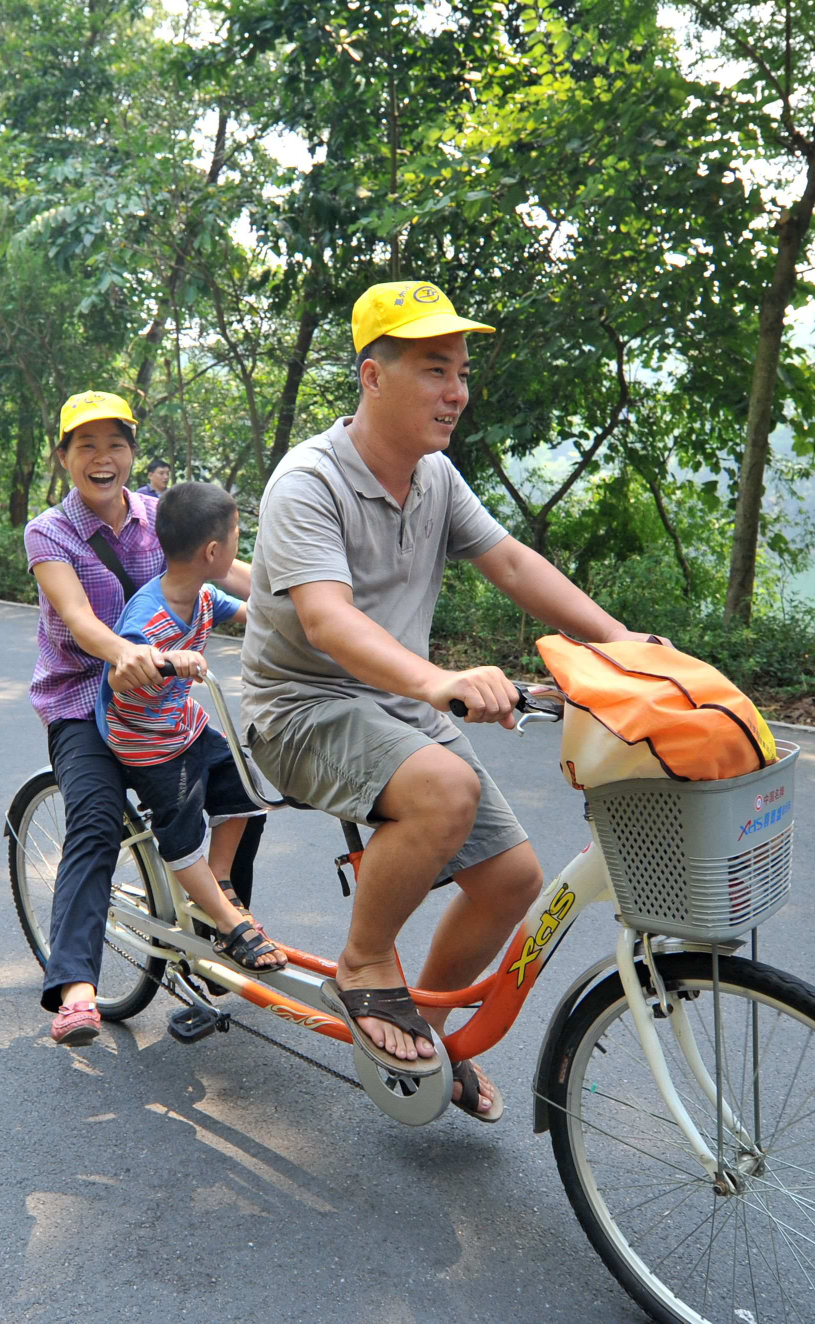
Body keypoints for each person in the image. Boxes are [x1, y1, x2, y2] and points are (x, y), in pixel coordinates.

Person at [241, 279, 654, 1122]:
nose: (457, 392)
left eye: (461, 372)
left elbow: (511, 563)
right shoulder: (307, 481)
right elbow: (326, 620)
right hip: (301, 708)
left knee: (511, 881)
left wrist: (624, 646)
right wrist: (438, 682)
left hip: (395, 709)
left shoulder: (433, 476)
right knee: (445, 789)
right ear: (372, 376)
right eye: (435, 370)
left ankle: (422, 1035)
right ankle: (364, 963)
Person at [24, 391, 252, 1046]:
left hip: (158, 703)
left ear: (131, 452)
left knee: (239, 784)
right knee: (95, 820)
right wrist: (126, 653)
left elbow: (229, 572)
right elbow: (78, 618)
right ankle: (76, 987)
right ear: (63, 456)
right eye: (86, 445)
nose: (103, 458)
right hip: (81, 700)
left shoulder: (160, 516)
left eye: (115, 444)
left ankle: (219, 916)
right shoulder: (49, 532)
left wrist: (310, 602)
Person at [98, 481, 281, 981]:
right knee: (180, 830)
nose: (240, 545)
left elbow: (252, 613)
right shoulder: (146, 617)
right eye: (238, 536)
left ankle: (217, 882)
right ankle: (228, 923)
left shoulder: (201, 594)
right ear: (213, 551)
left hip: (182, 721)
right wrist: (161, 659)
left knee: (245, 788)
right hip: (145, 739)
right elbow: (119, 674)